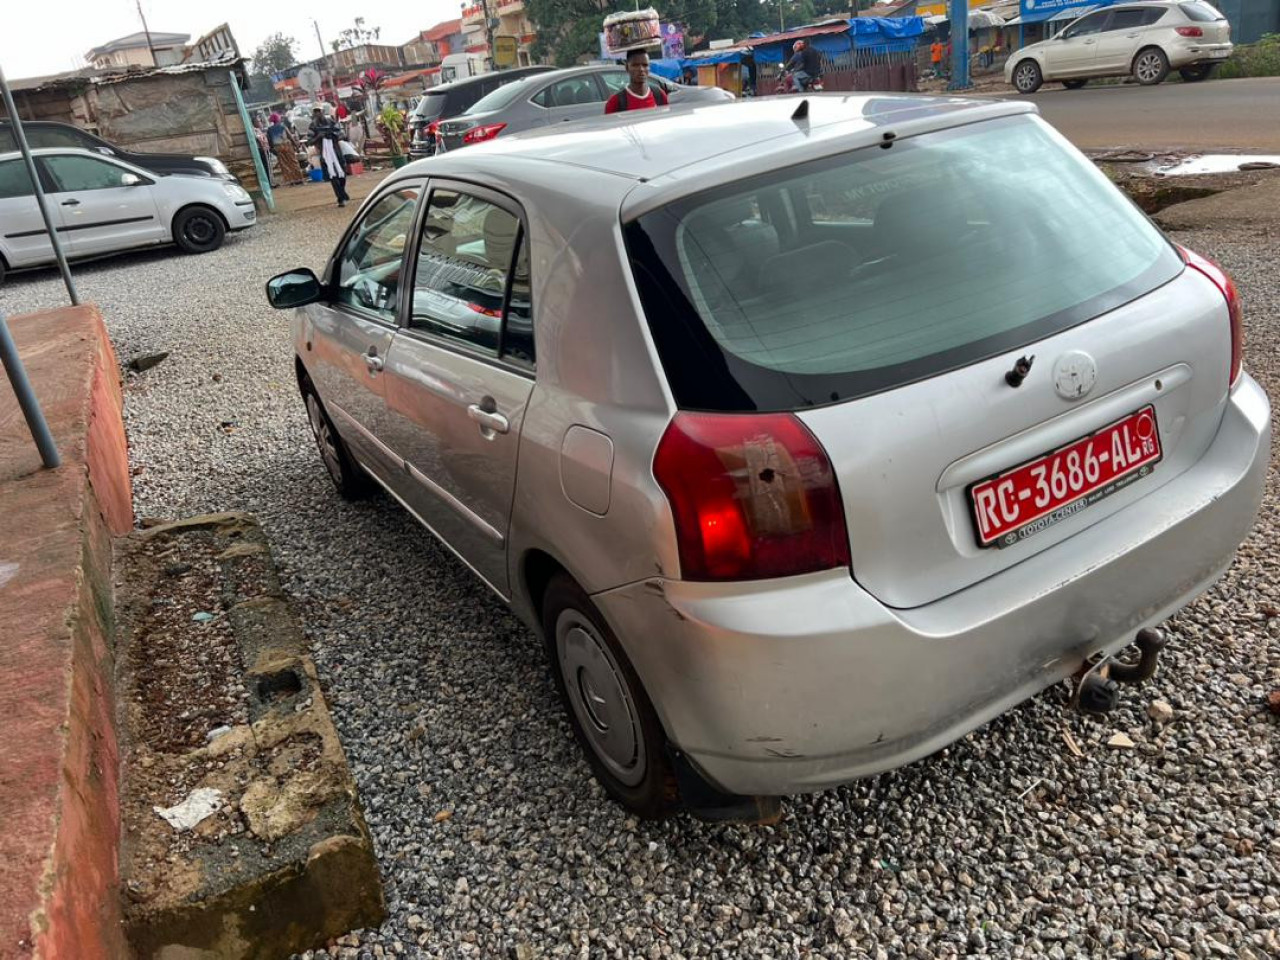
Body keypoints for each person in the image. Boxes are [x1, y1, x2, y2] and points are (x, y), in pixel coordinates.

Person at [604, 49, 669, 114]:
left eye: (645, 65)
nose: (641, 69)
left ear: (649, 68)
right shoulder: (615, 102)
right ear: (627, 68)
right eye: (635, 65)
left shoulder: (659, 95)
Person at [309, 108, 350, 207]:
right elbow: (309, 141)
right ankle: (341, 198)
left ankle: (342, 193)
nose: (318, 114)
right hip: (324, 153)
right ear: (314, 114)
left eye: (319, 111)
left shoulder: (331, 121)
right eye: (316, 112)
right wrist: (319, 136)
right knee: (332, 176)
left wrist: (332, 136)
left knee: (342, 174)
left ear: (323, 112)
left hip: (336, 150)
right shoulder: (313, 126)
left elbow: (341, 134)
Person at [266, 112, 304, 185]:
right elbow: (290, 137)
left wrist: (273, 149)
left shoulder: (269, 129)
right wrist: (296, 146)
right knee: (293, 162)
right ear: (278, 119)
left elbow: (269, 141)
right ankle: (299, 179)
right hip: (287, 145)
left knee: (284, 165)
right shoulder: (283, 126)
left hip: (278, 147)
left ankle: (290, 181)